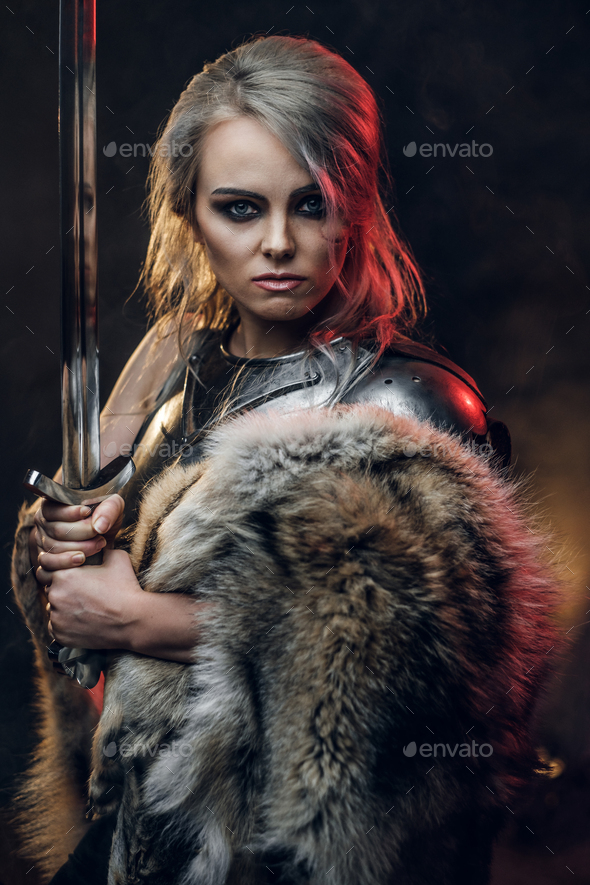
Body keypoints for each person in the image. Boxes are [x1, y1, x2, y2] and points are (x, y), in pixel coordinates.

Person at [10, 34, 552, 885]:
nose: (277, 242)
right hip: (139, 830)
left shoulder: (409, 407)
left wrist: (141, 622)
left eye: (311, 204)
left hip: (292, 853)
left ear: (358, 207)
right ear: (187, 211)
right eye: (239, 207)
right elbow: (94, 544)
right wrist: (67, 542)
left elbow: (434, 676)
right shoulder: (169, 369)